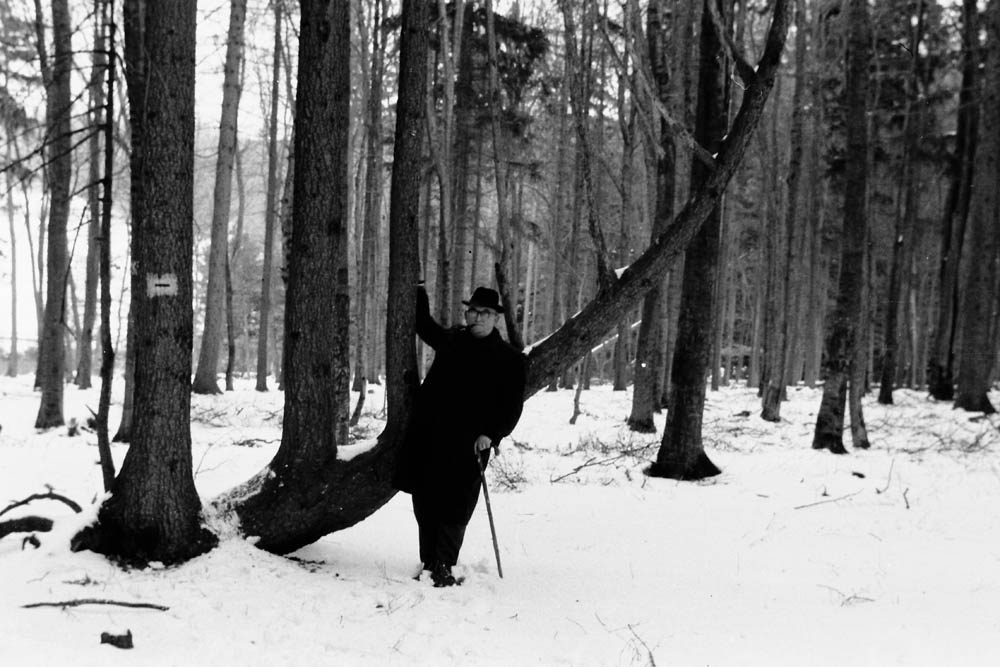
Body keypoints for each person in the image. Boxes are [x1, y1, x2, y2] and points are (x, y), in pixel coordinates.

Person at [393, 285, 526, 587]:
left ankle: (444, 564)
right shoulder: (452, 341)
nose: (476, 317)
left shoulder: (510, 359)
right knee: (425, 501)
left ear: (495, 318)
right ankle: (429, 563)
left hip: (469, 443)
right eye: (472, 311)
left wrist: (492, 434)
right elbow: (424, 325)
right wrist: (418, 289)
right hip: (430, 435)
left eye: (484, 313)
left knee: (456, 504)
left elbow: (512, 407)